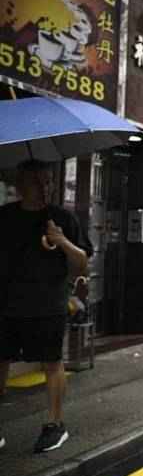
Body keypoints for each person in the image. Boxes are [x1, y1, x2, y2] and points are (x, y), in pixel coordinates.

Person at [0, 160, 92, 453]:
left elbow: (82, 264)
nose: (44, 187)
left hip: (48, 303)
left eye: (48, 181)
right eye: (36, 181)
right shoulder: (4, 217)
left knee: (52, 362)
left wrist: (62, 241)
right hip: (7, 303)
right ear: (19, 186)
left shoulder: (62, 218)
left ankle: (55, 424)